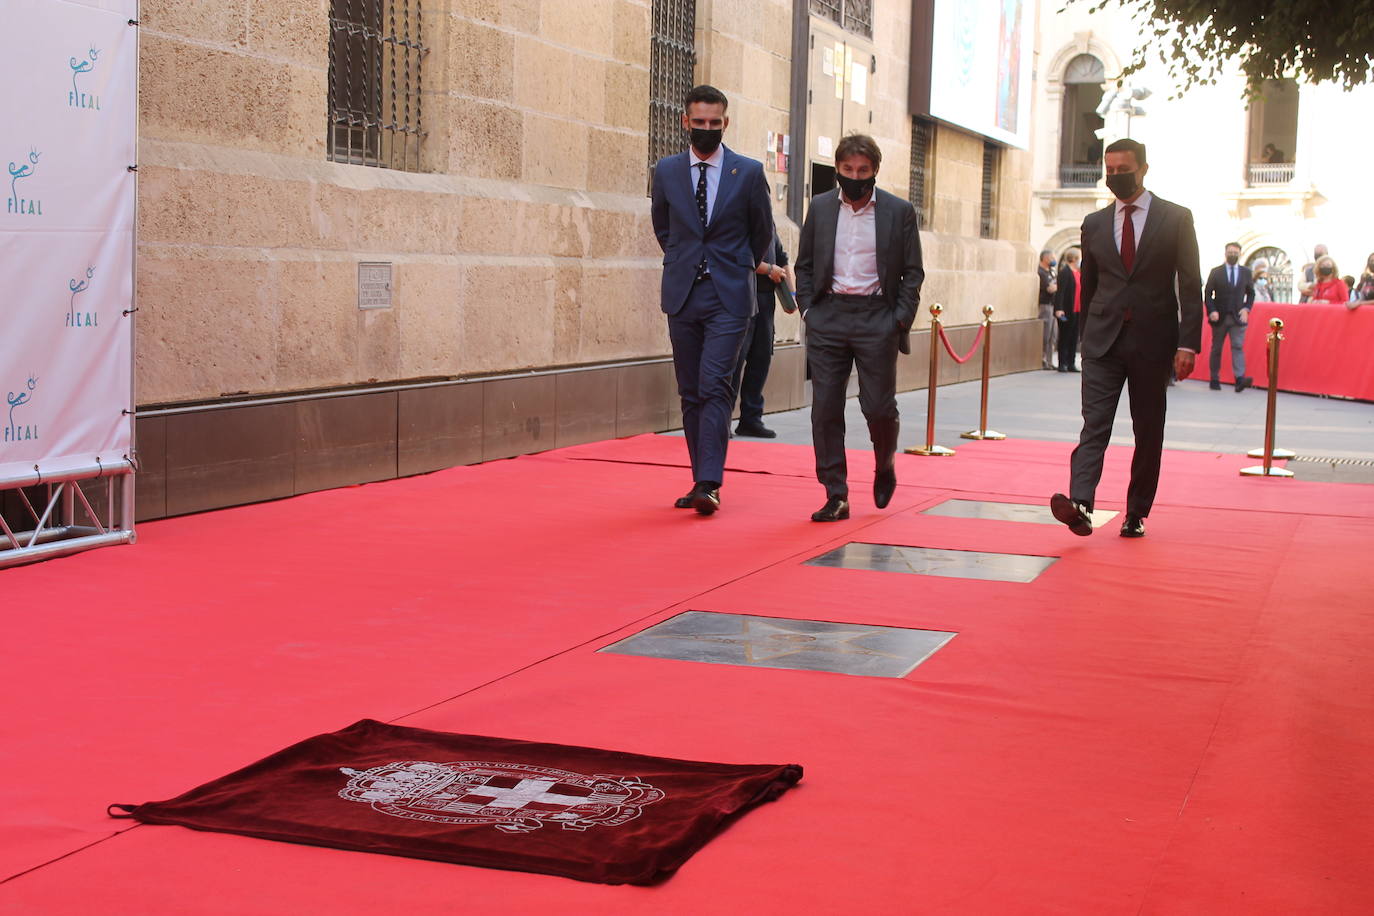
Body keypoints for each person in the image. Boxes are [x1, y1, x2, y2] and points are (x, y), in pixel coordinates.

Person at [1051, 138, 1202, 540]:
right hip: (1103, 342)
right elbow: (1093, 285)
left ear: (1144, 169)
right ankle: (1081, 504)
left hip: (1154, 342)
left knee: (1148, 430)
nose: (1115, 176)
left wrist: (1188, 344)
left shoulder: (1176, 219)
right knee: (1094, 425)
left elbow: (1190, 284)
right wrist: (1086, 339)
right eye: (1110, 169)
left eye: (1123, 169)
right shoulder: (1095, 224)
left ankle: (1136, 511)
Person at [650, 84, 773, 516]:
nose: (706, 130)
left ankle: (709, 482)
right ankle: (699, 475)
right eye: (698, 123)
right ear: (685, 122)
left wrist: (737, 264)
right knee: (690, 391)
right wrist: (687, 261)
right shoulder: (665, 171)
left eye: (714, 124)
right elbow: (663, 229)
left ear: (725, 123)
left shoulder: (749, 172)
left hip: (730, 296)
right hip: (683, 293)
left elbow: (762, 233)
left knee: (715, 384)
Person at [795, 133, 924, 522]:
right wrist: (808, 311)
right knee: (825, 409)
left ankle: (884, 463)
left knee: (879, 408)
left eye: (862, 171)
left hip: (876, 318)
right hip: (829, 316)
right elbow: (804, 265)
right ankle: (836, 493)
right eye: (848, 170)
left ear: (875, 172)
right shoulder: (819, 208)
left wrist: (898, 320)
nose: (855, 176)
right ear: (837, 170)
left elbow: (913, 273)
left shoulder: (898, 212)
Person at [732, 231, 790, 438]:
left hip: (766, 300)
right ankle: (720, 418)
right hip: (742, 296)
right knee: (734, 361)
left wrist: (790, 296)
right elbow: (736, 255)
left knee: (761, 360)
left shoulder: (769, 220)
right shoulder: (740, 216)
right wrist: (768, 269)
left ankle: (751, 419)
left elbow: (782, 257)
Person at [1204, 242, 1255, 392]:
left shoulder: (1246, 272)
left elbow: (1251, 293)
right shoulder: (1216, 272)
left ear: (1240, 254)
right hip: (1219, 317)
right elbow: (1208, 293)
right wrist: (1212, 310)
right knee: (1217, 348)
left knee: (1238, 346)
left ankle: (1240, 378)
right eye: (1230, 252)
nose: (1233, 255)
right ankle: (1214, 378)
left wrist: (1247, 309)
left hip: (1237, 317)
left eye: (1235, 252)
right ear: (1225, 253)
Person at [1053, 247, 1082, 373]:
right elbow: (1061, 292)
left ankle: (1071, 363)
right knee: (1065, 336)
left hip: (1077, 309)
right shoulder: (1065, 272)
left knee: (1074, 337)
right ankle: (1062, 363)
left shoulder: (1077, 272)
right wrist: (1059, 308)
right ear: (1074, 258)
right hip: (1066, 309)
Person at [1037, 249, 1059, 368]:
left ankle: (1050, 361)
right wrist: (1056, 286)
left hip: (1053, 305)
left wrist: (1055, 286)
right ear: (1045, 258)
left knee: (1053, 335)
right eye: (1051, 258)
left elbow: (1054, 286)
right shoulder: (1040, 272)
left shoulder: (1052, 272)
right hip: (1045, 305)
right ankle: (1042, 359)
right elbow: (1049, 289)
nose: (1053, 260)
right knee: (1045, 334)